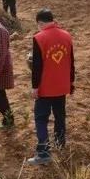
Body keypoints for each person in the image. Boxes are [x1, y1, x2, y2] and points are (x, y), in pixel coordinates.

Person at [27, 9, 75, 166]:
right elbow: (71, 61)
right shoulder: (67, 35)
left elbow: (37, 66)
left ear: (40, 23)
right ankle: (60, 144)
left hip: (46, 87)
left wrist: (34, 87)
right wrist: (71, 82)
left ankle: (43, 152)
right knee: (60, 116)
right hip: (62, 85)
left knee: (41, 118)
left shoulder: (39, 38)